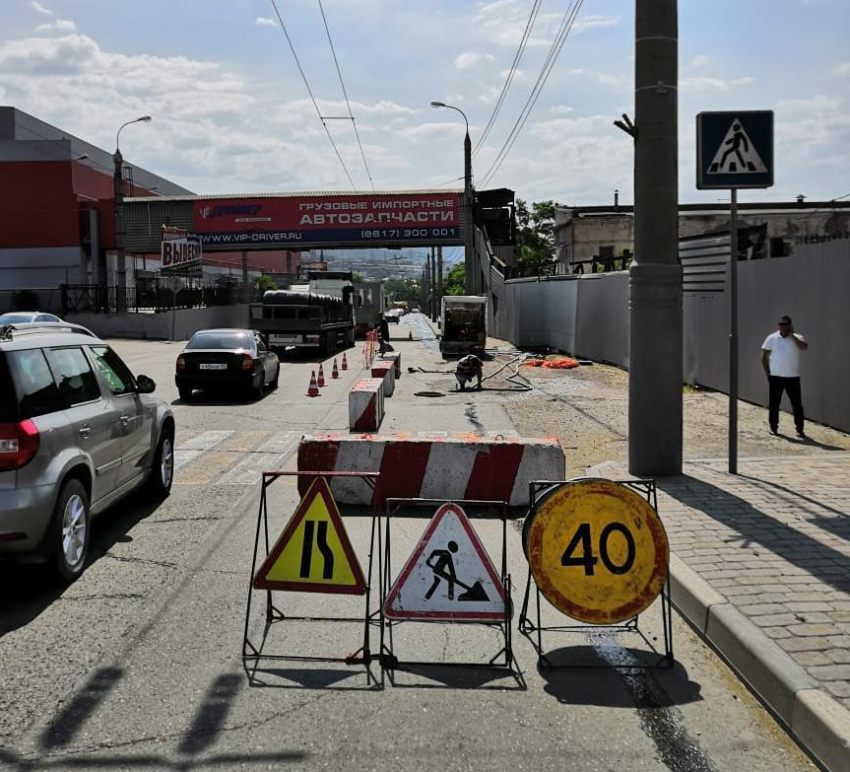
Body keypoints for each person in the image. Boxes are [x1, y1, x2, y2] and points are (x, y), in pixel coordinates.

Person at [761, 315, 809, 438]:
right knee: (774, 404)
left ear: (790, 325)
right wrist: (769, 374)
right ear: (778, 325)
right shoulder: (772, 338)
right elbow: (763, 357)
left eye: (786, 324)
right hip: (776, 377)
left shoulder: (798, 337)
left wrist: (792, 336)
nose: (784, 326)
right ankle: (773, 427)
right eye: (781, 324)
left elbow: (804, 347)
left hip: (792, 377)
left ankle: (800, 429)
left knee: (797, 405)